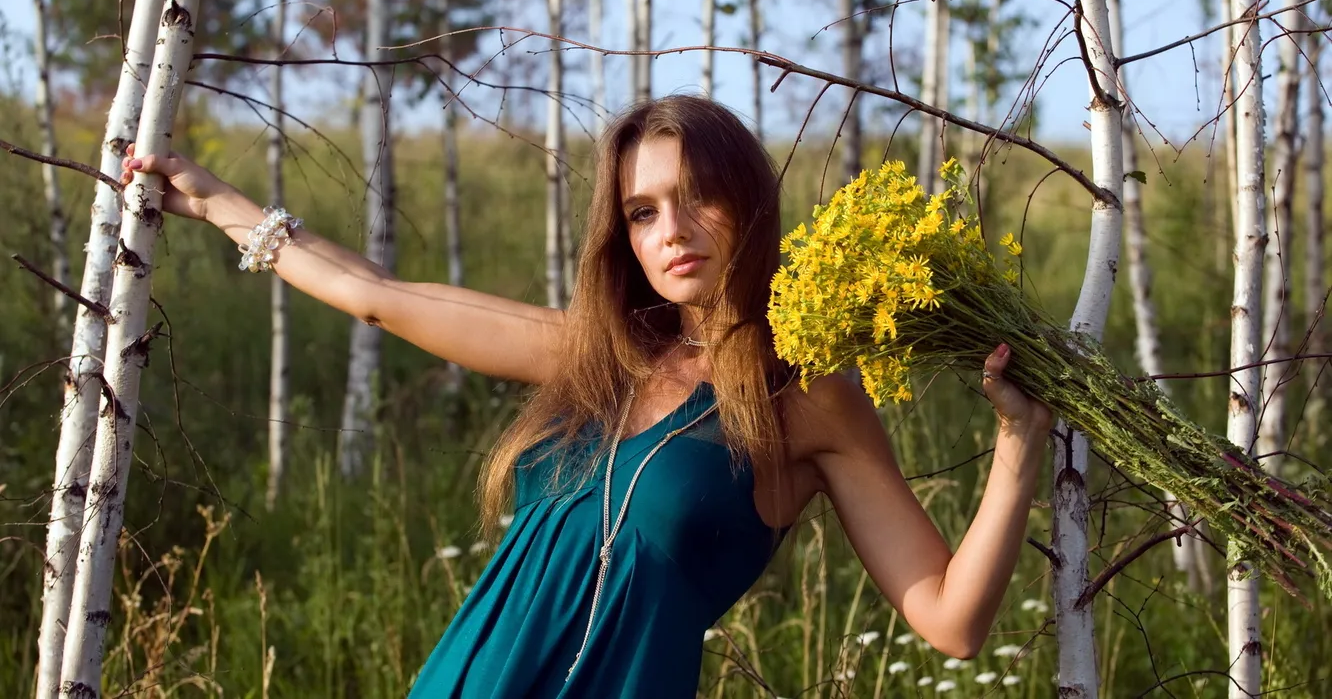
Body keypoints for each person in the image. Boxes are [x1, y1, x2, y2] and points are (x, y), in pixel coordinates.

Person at [121, 95, 1052, 698]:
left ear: (750, 203)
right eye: (643, 212)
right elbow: (383, 301)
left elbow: (950, 618)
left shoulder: (808, 397)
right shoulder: (599, 355)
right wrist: (218, 206)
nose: (672, 231)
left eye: (697, 199)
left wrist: (1017, 445)